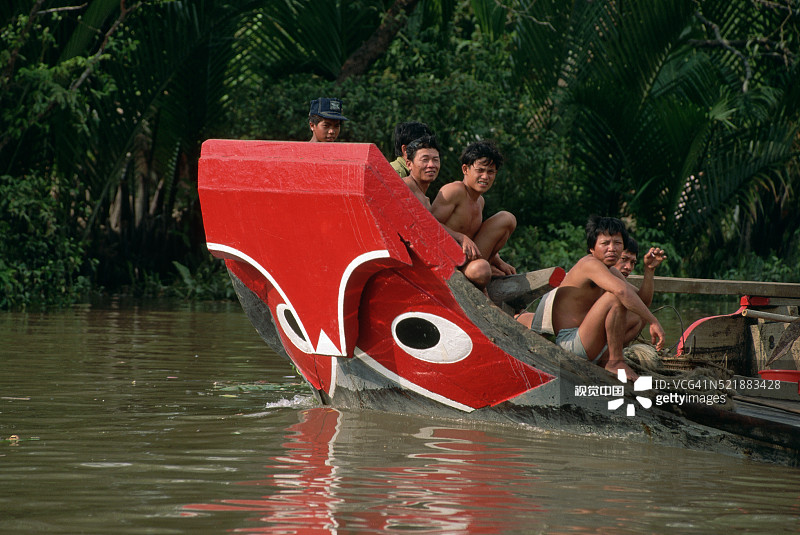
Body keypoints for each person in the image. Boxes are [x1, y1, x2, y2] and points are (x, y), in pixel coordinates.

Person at [519, 216, 665, 380]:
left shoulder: (611, 270)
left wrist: (649, 270)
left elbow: (641, 301)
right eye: (605, 243)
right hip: (571, 344)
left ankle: (607, 360)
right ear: (592, 248)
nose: (612, 249)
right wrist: (654, 321)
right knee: (616, 297)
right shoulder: (589, 264)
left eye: (617, 243)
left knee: (638, 313)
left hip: (590, 342)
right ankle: (615, 361)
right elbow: (621, 292)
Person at [431, 140, 516, 291]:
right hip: (446, 261)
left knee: (507, 218)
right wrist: (460, 237)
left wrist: (498, 261)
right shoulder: (454, 190)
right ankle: (483, 273)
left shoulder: (480, 201)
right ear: (465, 169)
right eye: (480, 170)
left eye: (490, 172)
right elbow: (428, 225)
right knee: (481, 270)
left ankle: (488, 266)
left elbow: (475, 235)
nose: (485, 176)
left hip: (468, 260)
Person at [402, 135, 441, 210]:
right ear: (409, 164)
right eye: (425, 159)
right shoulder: (403, 186)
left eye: (435, 160)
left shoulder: (425, 200)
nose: (431, 165)